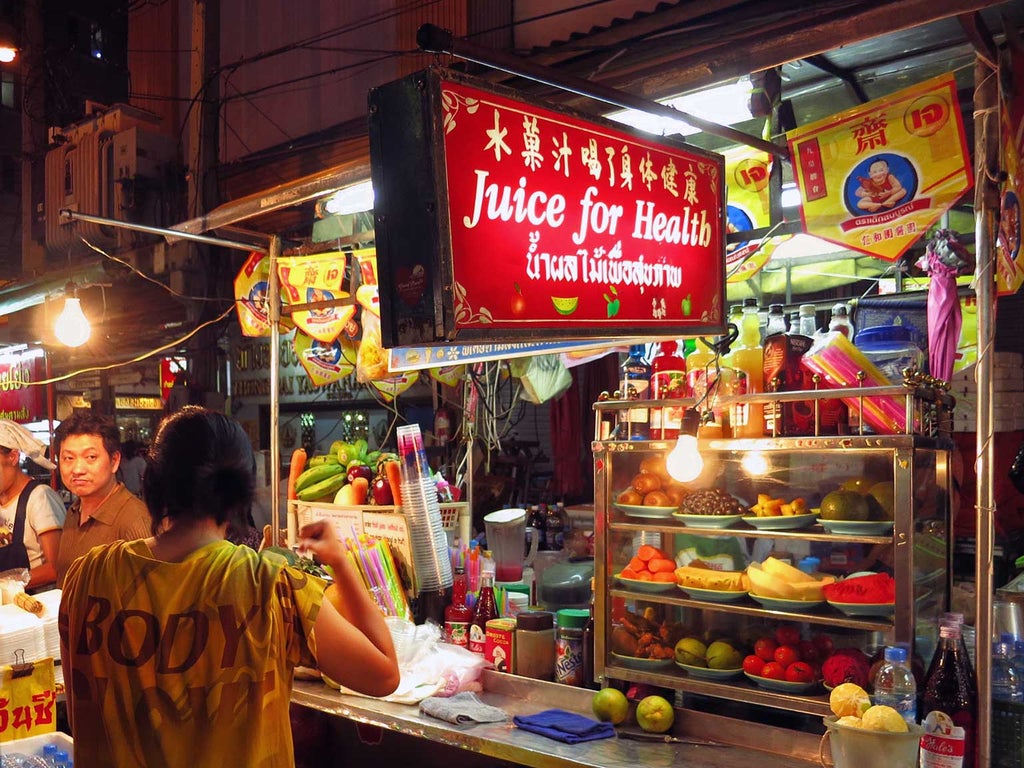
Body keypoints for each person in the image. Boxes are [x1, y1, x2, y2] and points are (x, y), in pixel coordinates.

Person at [59, 406, 399, 768]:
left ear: (152, 482)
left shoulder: (87, 576)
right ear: (241, 494)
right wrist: (341, 562)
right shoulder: (271, 586)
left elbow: (85, 711)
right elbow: (384, 674)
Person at [53, 412, 152, 586]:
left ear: (114, 461)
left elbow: (152, 599)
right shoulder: (73, 512)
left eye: (91, 457)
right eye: (68, 458)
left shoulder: (135, 522)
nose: (77, 469)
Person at [0, 421, 66, 591]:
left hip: (37, 603)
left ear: (13, 457)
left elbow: (57, 568)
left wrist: (7, 584)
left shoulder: (40, 498)